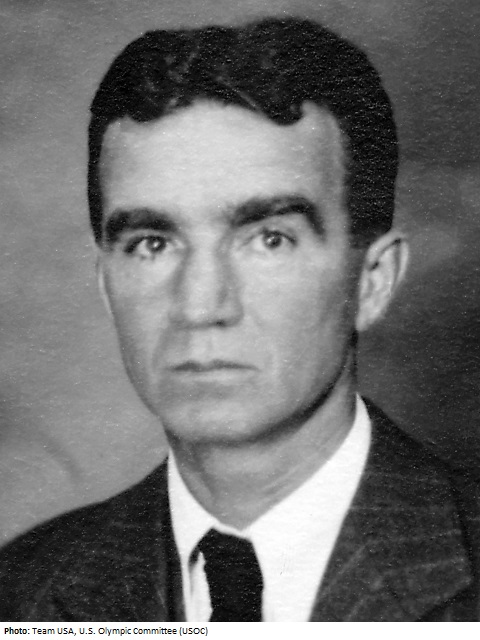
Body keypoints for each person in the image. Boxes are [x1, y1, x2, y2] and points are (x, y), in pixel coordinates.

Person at [0, 17, 478, 622]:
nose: (201, 306)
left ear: (372, 280)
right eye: (152, 244)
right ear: (106, 285)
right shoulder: (23, 592)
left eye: (269, 239)